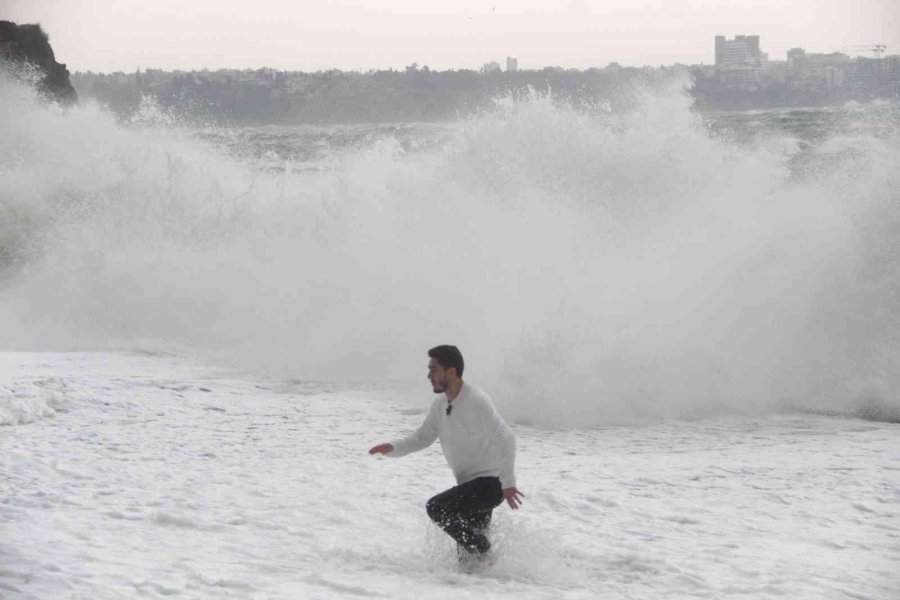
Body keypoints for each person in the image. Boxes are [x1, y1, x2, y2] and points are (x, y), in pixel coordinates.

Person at [369, 345, 523, 563]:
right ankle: (496, 575)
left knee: (437, 508)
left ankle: (484, 549)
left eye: (434, 369)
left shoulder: (475, 400)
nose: (428, 375)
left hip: (490, 485)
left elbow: (506, 437)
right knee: (470, 563)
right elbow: (422, 438)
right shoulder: (441, 405)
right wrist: (392, 447)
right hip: (470, 485)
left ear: (451, 371)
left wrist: (508, 482)